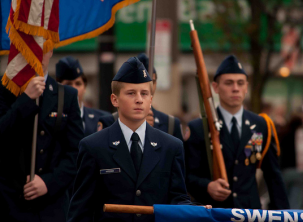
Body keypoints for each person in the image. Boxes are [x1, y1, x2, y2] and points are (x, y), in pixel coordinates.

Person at [67, 57, 195, 222]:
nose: (139, 99)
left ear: (151, 100)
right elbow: (81, 209)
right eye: (131, 93)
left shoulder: (171, 146)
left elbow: (177, 198)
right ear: (115, 100)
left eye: (144, 93)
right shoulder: (93, 146)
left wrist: (195, 210)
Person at [184, 55, 290, 209]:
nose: (235, 88)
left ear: (246, 87)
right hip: (214, 214)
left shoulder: (261, 125)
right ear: (215, 87)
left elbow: (273, 175)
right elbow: (187, 175)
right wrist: (207, 186)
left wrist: (284, 215)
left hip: (249, 213)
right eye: (229, 83)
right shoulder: (199, 128)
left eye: (240, 83)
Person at [0, 51, 84, 221]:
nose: (34, 52)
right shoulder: (4, 93)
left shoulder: (66, 95)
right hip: (10, 204)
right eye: (28, 44)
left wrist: (49, 182)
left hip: (52, 207)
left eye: (41, 46)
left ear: (50, 50)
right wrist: (25, 100)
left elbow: (76, 153)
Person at [98, 53, 183, 141]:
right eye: (131, 93)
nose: (139, 99)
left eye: (152, 82)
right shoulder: (110, 121)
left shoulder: (170, 124)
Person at [56, 56, 110, 137]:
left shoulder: (104, 119)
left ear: (85, 87)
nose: (74, 89)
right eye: (68, 84)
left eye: (78, 84)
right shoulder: (52, 119)